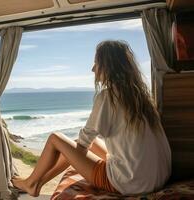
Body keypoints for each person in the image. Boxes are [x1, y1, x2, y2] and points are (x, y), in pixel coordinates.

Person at [11, 40, 172, 197]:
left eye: (96, 63)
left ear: (108, 66)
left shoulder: (109, 96)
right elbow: (87, 143)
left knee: (55, 138)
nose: (92, 69)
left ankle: (31, 182)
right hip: (159, 177)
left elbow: (81, 146)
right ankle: (37, 183)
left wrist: (73, 153)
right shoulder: (142, 98)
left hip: (130, 182)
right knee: (87, 143)